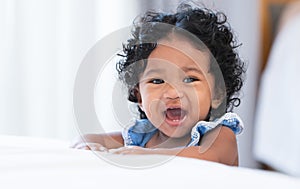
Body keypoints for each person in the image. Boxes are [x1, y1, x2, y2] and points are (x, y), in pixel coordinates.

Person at [71, 1, 245, 166]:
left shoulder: (219, 133)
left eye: (190, 79)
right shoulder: (143, 136)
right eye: (157, 81)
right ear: (139, 96)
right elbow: (89, 139)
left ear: (217, 94)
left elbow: (209, 157)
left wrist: (145, 156)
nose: (173, 92)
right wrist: (88, 147)